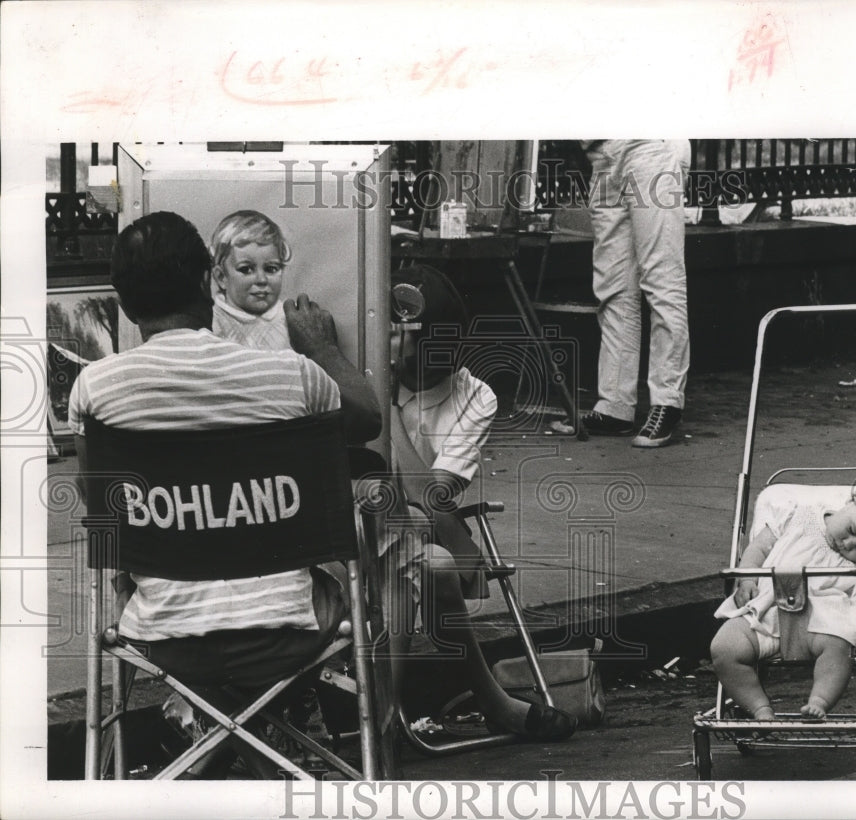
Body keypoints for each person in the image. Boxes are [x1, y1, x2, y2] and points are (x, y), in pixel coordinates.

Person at [68, 212, 381, 759]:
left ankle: (210, 754)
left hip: (162, 633)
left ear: (123, 305)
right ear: (207, 282)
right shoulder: (294, 375)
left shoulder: (95, 391)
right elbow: (367, 420)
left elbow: (104, 516)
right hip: (291, 626)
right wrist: (324, 349)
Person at [380, 263, 577, 741]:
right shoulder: (353, 377)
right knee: (440, 563)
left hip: (410, 538)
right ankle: (490, 702)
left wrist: (381, 411)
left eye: (402, 332)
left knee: (435, 563)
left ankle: (383, 722)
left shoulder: (474, 396)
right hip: (362, 533)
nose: (389, 339)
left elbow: (433, 495)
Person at [710, 481, 856, 720]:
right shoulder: (799, 514)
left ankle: (819, 701)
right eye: (852, 530)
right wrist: (747, 578)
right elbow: (759, 548)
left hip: (822, 625)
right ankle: (759, 708)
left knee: (838, 649)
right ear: (853, 499)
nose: (848, 545)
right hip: (767, 612)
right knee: (724, 648)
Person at [553, 140, 691, 448]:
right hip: (603, 153)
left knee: (661, 277)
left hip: (649, 142)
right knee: (614, 286)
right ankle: (615, 406)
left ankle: (668, 402)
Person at [210, 209, 292, 349]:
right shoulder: (211, 321)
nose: (261, 280)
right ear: (221, 277)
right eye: (246, 269)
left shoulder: (290, 321)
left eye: (271, 269)